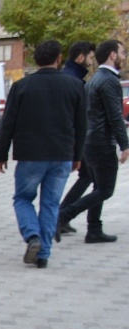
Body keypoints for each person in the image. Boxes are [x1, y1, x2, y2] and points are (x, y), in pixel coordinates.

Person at [0, 39, 86, 269]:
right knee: (50, 204)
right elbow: (81, 125)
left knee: (23, 198)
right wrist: (78, 156)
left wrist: (1, 154)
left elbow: (8, 124)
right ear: (58, 58)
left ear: (35, 59)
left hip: (30, 155)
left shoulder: (22, 86)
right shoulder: (74, 86)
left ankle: (32, 236)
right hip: (62, 155)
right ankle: (43, 254)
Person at [57, 39, 128, 244]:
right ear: (112, 55)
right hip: (101, 142)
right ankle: (63, 216)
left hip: (90, 141)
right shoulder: (109, 81)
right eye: (122, 53)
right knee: (105, 189)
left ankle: (94, 230)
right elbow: (114, 116)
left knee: (97, 185)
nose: (124, 57)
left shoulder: (96, 79)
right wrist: (125, 145)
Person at [56, 40, 96, 241]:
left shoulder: (72, 77)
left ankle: (61, 215)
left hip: (71, 138)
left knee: (87, 175)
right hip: (72, 139)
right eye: (89, 58)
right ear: (80, 57)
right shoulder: (72, 80)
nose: (90, 62)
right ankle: (60, 216)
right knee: (89, 175)